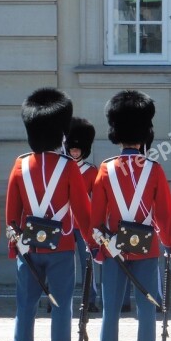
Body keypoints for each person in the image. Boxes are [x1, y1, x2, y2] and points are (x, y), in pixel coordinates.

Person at [6, 88, 91, 341]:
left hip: (27, 248)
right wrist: (92, 243)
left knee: (25, 307)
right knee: (61, 306)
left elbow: (12, 213)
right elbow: (82, 211)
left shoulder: (20, 165)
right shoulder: (68, 168)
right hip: (62, 246)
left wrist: (13, 245)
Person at [89, 90, 171, 341]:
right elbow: (163, 216)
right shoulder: (154, 169)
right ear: (144, 135)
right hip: (147, 250)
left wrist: (99, 248)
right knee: (147, 309)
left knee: (110, 310)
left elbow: (96, 218)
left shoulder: (105, 169)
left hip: (113, 250)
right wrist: (170, 244)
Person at [66, 117, 101, 313]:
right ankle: (62, 300)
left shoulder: (91, 171)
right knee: (64, 267)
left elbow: (95, 199)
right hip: (64, 225)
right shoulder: (62, 169)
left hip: (82, 225)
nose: (75, 151)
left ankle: (91, 299)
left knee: (87, 263)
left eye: (78, 149)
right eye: (72, 148)